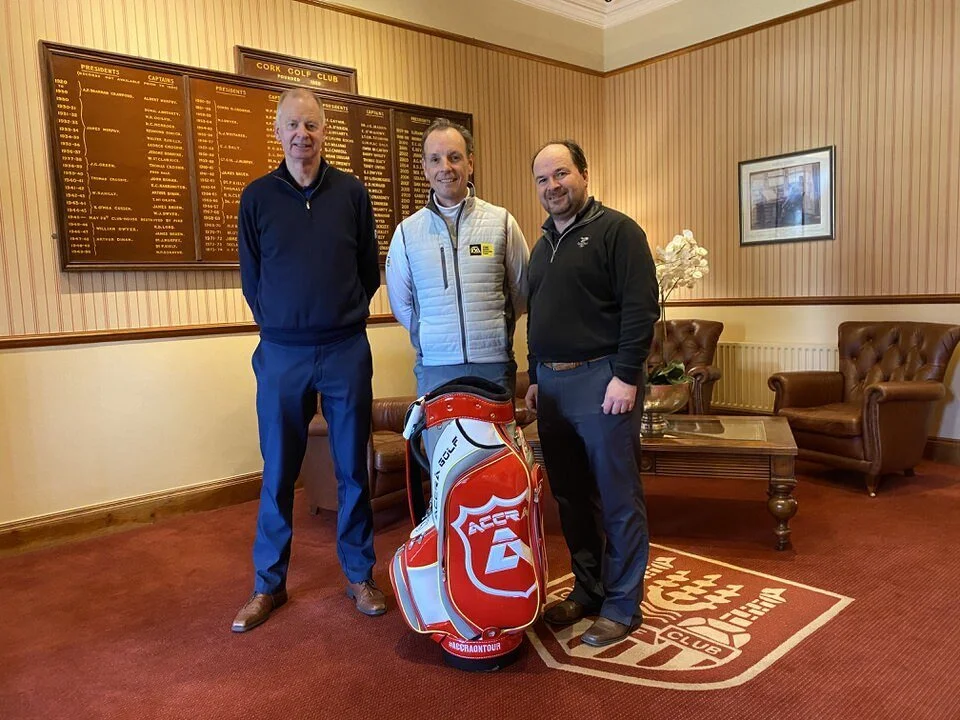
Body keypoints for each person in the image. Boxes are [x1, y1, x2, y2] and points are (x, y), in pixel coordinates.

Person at [232, 88, 385, 633]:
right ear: (278, 132)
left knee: (352, 470)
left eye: (313, 125)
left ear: (325, 131)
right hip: (281, 353)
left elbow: (369, 270)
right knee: (277, 472)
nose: (303, 135)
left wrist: (341, 317)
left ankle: (360, 574)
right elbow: (252, 279)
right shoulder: (257, 198)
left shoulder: (352, 193)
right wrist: (281, 323)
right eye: (293, 125)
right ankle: (266, 585)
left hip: (345, 350)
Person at [525, 140, 659, 647]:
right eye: (542, 179)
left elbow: (640, 309)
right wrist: (536, 376)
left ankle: (624, 604)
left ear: (583, 174)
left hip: (604, 381)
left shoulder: (618, 231)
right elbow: (538, 316)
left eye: (561, 174)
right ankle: (588, 589)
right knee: (571, 496)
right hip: (553, 387)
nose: (552, 186)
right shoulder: (541, 246)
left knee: (617, 495)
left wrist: (627, 375)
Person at [385, 118, 528, 401]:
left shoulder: (501, 222)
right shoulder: (406, 233)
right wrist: (432, 336)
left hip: (493, 366)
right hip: (435, 369)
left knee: (494, 446)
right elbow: (401, 303)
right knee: (441, 447)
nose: (445, 168)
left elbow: (521, 290)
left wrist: (497, 331)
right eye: (435, 159)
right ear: (425, 169)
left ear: (470, 163)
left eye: (454, 157)